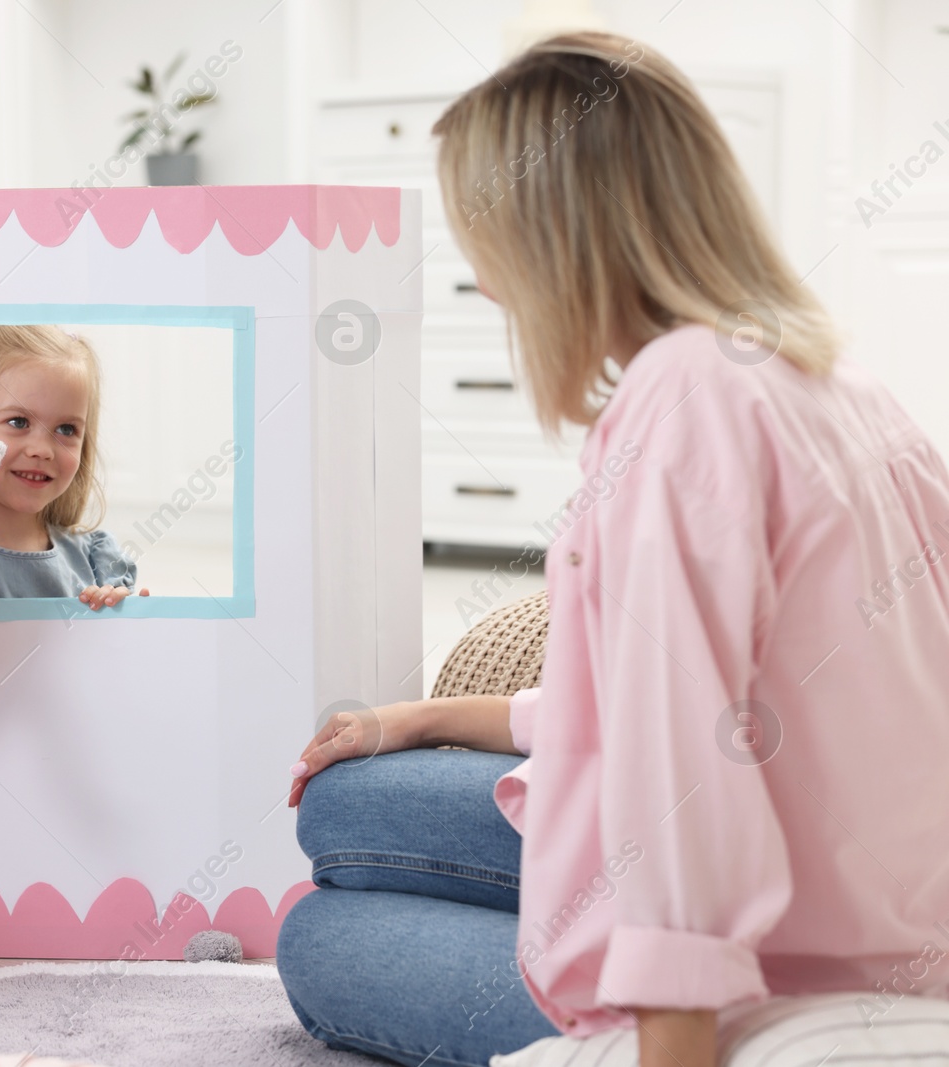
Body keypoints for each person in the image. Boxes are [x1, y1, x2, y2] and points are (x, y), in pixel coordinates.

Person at [276, 31, 949, 1067]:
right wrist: (423, 715)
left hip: (780, 972)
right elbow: (712, 695)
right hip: (894, 910)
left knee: (321, 938)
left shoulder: (683, 397)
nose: (487, 289)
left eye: (481, 244)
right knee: (347, 800)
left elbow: (685, 754)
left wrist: (669, 1033)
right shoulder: (840, 382)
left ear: (557, 238)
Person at [0, 323, 149, 610]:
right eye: (18, 422)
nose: (42, 451)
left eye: (66, 429)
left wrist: (128, 621)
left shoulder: (97, 562)